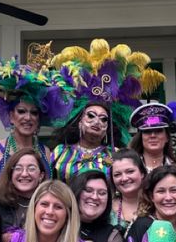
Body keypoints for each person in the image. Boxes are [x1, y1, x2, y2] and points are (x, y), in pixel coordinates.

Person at [48, 39, 166, 181]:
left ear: (108, 127)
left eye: (104, 119)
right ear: (79, 121)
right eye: (91, 116)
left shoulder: (116, 155)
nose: (97, 121)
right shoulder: (60, 152)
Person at [0, 47, 74, 191]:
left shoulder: (44, 151)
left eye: (34, 113)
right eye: (21, 111)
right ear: (11, 116)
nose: (28, 118)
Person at [0, 148, 46, 229]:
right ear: (11, 174)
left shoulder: (48, 206)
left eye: (31, 169)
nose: (24, 174)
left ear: (41, 176)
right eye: (18, 168)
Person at [129, 102, 176, 172]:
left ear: (167, 137)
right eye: (147, 131)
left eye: (158, 131)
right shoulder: (128, 169)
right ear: (140, 137)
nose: (153, 135)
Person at [110, 149, 147, 233]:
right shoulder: (106, 208)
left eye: (130, 172)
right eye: (117, 174)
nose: (124, 178)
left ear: (142, 173)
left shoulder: (155, 204)